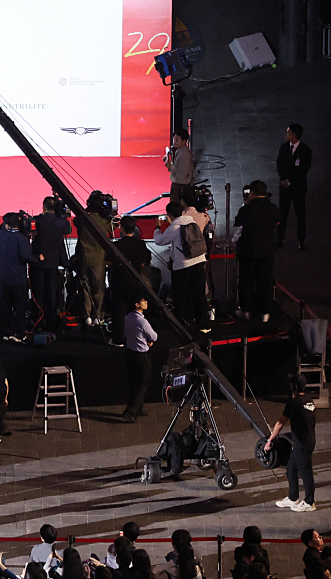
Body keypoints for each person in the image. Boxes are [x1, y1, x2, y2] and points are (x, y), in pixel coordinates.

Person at [153, 200, 210, 331]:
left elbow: (159, 241)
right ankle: (203, 324)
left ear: (170, 215)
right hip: (199, 261)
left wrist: (158, 228)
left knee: (180, 296)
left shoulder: (174, 227)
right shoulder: (192, 222)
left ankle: (180, 323)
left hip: (183, 266)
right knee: (199, 294)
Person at [267, 376, 317, 512]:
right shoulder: (308, 400)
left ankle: (309, 502)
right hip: (305, 440)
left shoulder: (294, 403)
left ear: (293, 387)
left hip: (303, 443)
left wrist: (269, 440)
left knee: (306, 472)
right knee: (290, 468)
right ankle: (293, 497)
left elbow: (280, 423)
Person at [232, 180, 279, 322]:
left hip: (249, 251)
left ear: (252, 193)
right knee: (265, 281)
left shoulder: (248, 209)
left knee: (246, 281)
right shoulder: (273, 208)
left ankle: (246, 310)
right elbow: (277, 221)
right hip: (267, 251)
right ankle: (265, 312)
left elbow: (238, 221)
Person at [31, 197, 71, 332]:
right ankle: (51, 320)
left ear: (43, 206)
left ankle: (38, 320)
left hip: (39, 261)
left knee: (38, 293)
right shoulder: (61, 222)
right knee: (52, 292)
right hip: (53, 262)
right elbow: (68, 230)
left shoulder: (38, 221)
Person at [74, 192, 112, 327]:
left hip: (84, 258)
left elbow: (75, 221)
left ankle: (87, 315)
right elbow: (113, 226)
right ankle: (98, 316)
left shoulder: (83, 220)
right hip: (98, 260)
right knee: (99, 289)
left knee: (85, 288)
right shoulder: (104, 221)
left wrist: (87, 210)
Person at [0, 211, 33, 340]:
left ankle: (5, 332)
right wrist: (38, 258)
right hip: (18, 279)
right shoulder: (22, 239)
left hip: (2, 278)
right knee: (20, 307)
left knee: (4, 307)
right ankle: (19, 332)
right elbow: (25, 257)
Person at [121, 293, 157, 423]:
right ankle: (130, 411)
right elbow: (154, 336)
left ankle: (138, 407)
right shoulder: (142, 321)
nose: (146, 302)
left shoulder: (128, 317)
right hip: (141, 355)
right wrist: (149, 341)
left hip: (130, 353)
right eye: (143, 301)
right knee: (142, 383)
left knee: (133, 382)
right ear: (137, 304)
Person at [276, 123, 310, 249]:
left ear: (294, 135)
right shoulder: (284, 148)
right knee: (282, 214)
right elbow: (279, 164)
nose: (286, 135)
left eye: (288, 132)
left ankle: (301, 240)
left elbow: (303, 170)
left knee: (300, 215)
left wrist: (290, 181)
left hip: (298, 188)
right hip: (284, 188)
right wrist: (283, 179)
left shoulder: (306, 151)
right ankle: (279, 240)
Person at [164, 129, 193, 206]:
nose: (174, 142)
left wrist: (170, 166)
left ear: (184, 141)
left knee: (176, 207)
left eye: (177, 140)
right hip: (178, 184)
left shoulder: (184, 155)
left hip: (180, 186)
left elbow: (182, 174)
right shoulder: (179, 151)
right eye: (174, 139)